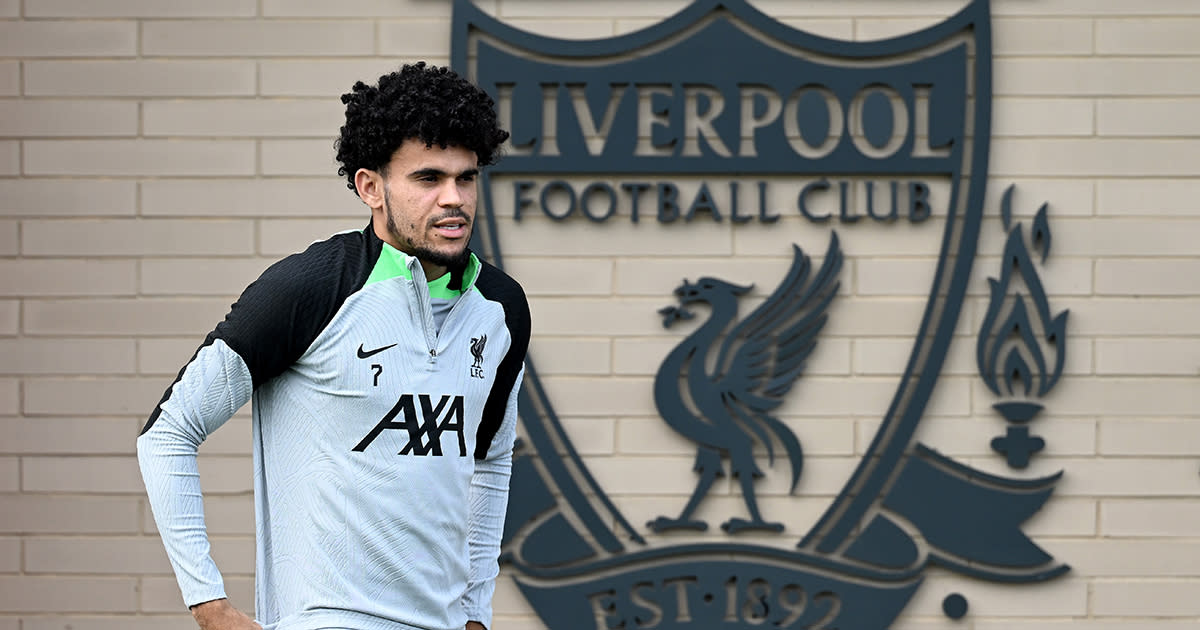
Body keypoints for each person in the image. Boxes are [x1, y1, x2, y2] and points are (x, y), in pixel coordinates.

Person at [137, 62, 529, 630]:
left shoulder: (502, 307)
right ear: (370, 186)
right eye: (428, 179)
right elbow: (169, 433)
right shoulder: (312, 287)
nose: (455, 199)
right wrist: (210, 605)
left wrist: (474, 613)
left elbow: (490, 462)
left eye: (466, 178)